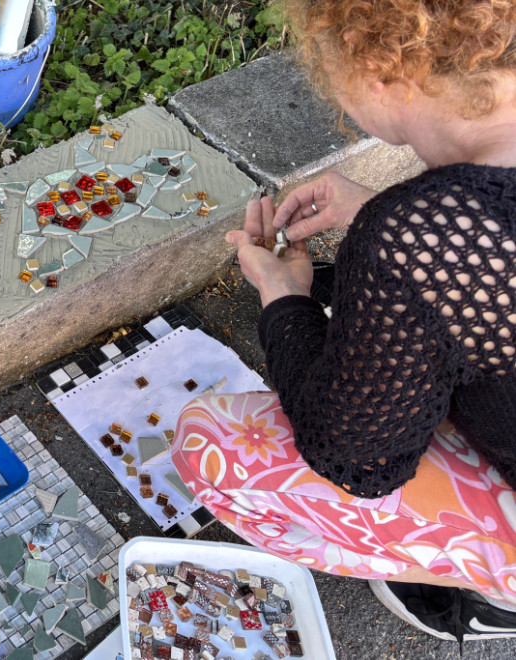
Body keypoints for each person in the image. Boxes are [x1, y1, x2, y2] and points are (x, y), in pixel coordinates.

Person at [172, 0, 516, 644]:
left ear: (378, 72)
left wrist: (284, 298)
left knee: (210, 441)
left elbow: (358, 457)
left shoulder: (420, 235)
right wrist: (384, 214)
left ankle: (493, 594)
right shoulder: (448, 222)